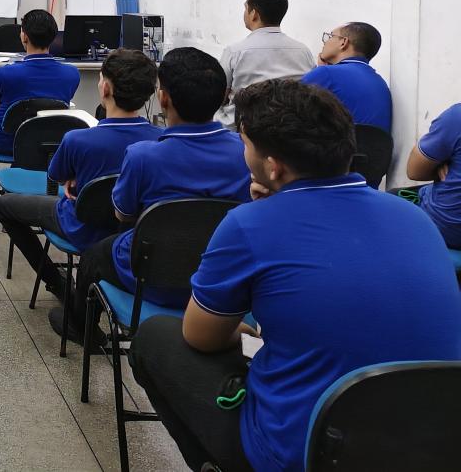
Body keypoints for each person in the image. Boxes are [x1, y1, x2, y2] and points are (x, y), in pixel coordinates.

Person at [130, 80, 461, 472]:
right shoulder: (414, 218)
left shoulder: (248, 225)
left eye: (245, 144)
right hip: (433, 446)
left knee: (155, 337)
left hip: (306, 453)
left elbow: (201, 336)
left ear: (273, 166)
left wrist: (243, 332)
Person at [55, 47, 250, 343]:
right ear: (224, 96)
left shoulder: (143, 156)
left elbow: (123, 214)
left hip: (151, 277)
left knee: (94, 255)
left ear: (163, 97)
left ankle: (81, 328)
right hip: (217, 277)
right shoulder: (242, 152)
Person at [0, 49, 161, 296]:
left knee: (4, 205)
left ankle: (57, 282)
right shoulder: (160, 141)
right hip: (132, 234)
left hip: (80, 226)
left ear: (105, 88)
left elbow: (56, 175)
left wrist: (77, 176)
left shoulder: (78, 139)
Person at [0, 9, 79, 159]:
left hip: (2, 142)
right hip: (47, 143)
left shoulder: (5, 73)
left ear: (24, 36)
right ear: (53, 37)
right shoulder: (72, 74)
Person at [217, 0, 313, 125]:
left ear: (254, 14)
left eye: (246, 8)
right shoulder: (303, 51)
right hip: (288, 127)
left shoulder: (235, 51)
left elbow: (220, 97)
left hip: (242, 127)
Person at [299, 21, 392, 134]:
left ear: (343, 42)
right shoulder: (380, 82)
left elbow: (287, 106)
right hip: (374, 145)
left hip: (339, 144)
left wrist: (322, 72)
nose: (325, 42)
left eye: (330, 36)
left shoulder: (326, 73)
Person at [405, 102, 461, 248]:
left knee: (391, 199)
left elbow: (414, 171)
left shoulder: (456, 117)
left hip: (447, 232)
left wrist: (443, 165)